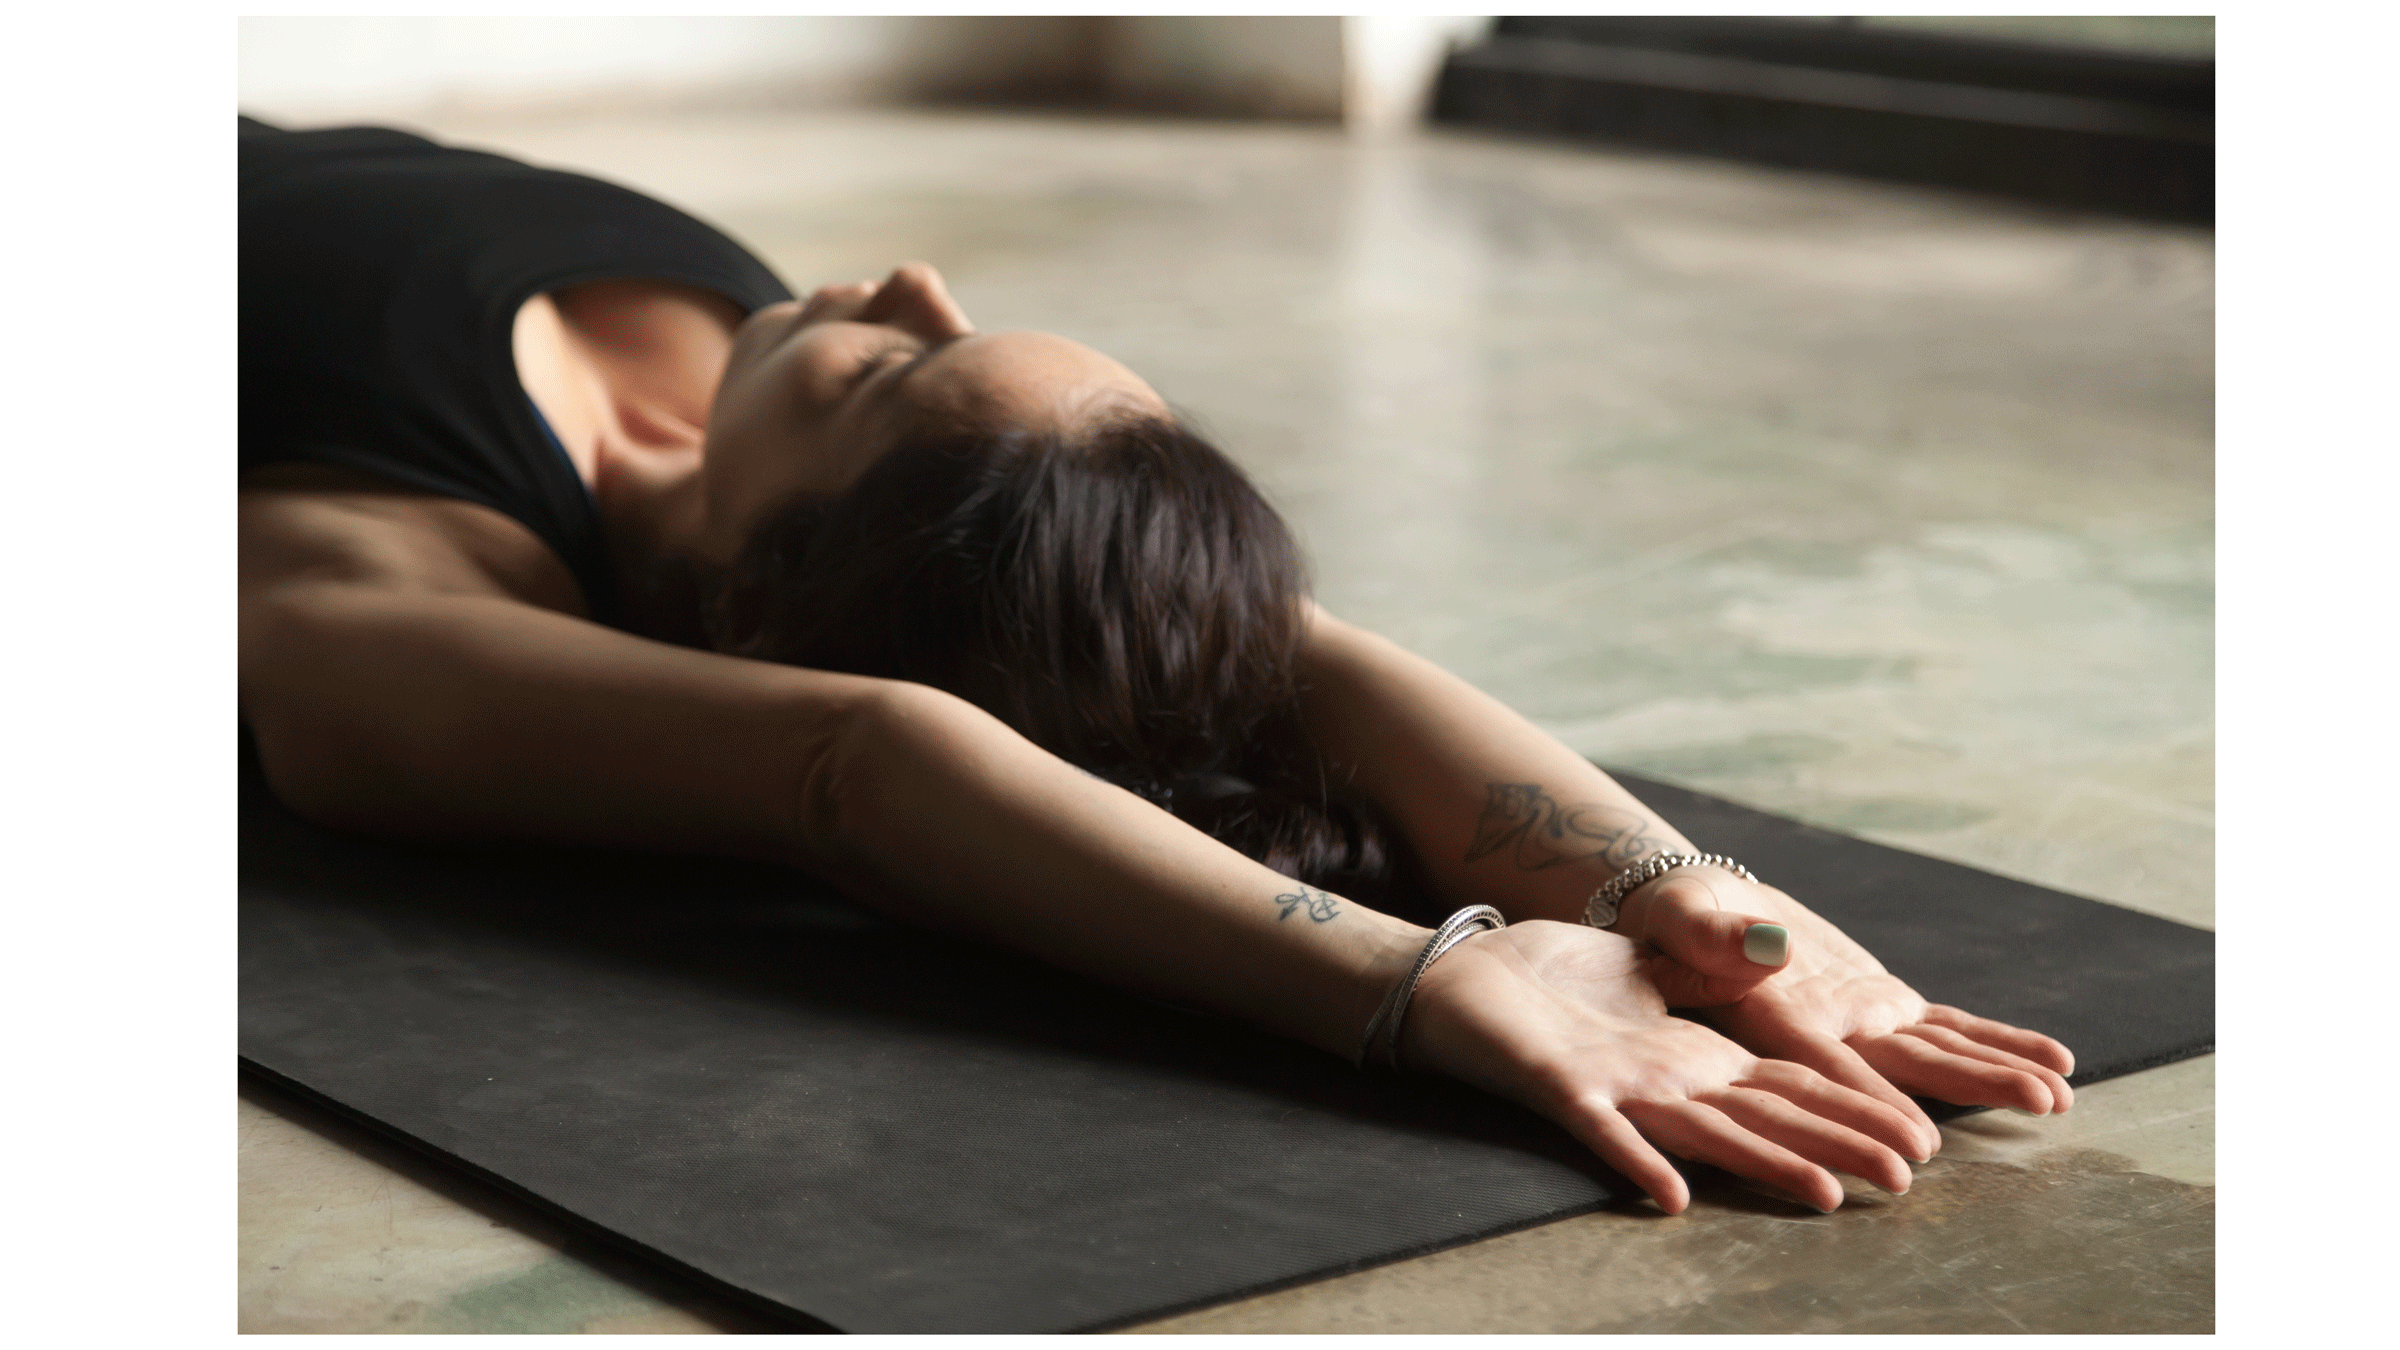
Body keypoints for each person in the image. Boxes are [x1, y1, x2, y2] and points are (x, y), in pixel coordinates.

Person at [238, 117, 2076, 1218]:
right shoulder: (609, 540)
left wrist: (1562, 945)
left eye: (895, 372)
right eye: (917, 345)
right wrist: (1591, 915)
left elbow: (884, 753)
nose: (908, 281)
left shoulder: (392, 557)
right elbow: (902, 738)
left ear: (761, 610)